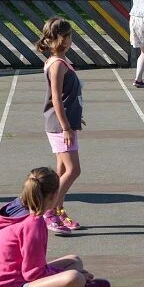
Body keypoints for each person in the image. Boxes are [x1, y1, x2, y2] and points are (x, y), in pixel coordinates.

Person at [0, 167, 111, 287]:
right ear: (53, 195)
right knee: (74, 277)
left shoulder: (19, 208)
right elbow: (33, 273)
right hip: (12, 284)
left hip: (17, 277)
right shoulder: (33, 223)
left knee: (74, 261)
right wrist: (75, 278)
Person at [35, 18, 84, 233]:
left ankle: (59, 210)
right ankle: (49, 210)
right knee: (73, 170)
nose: (72, 39)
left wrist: (74, 118)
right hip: (58, 126)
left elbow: (68, 96)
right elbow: (56, 98)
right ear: (61, 39)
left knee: (62, 169)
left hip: (66, 122)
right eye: (69, 35)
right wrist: (65, 126)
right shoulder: (56, 64)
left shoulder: (62, 61)